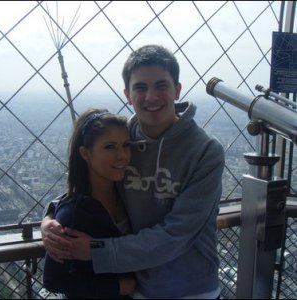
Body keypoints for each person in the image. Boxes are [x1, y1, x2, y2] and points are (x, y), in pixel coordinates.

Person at [41, 45, 225, 299]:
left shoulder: (205, 151)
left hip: (192, 290)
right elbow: (92, 180)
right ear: (127, 94)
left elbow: (176, 234)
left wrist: (96, 249)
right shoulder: (123, 138)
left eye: (161, 85)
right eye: (140, 87)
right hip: (137, 287)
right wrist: (51, 217)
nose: (151, 96)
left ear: (177, 90)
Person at [43, 108, 136, 299]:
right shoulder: (73, 214)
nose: (122, 155)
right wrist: (117, 287)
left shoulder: (129, 193)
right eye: (110, 147)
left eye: (126, 145)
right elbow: (53, 280)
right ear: (85, 154)